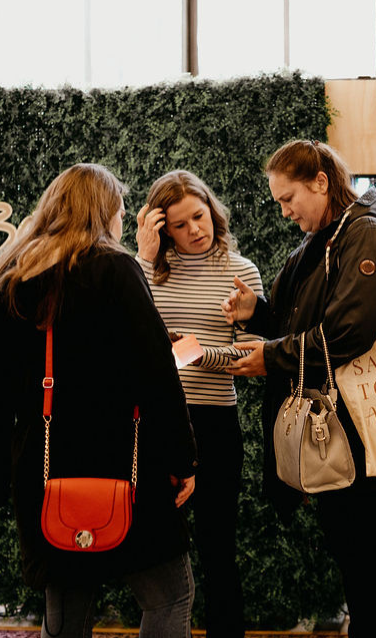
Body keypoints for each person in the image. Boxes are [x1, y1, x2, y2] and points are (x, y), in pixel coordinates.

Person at [221, 140, 376, 638]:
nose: (284, 212)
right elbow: (308, 322)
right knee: (354, 553)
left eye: (288, 198)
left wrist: (271, 356)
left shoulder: (364, 234)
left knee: (364, 556)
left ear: (321, 182)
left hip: (364, 430)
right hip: (344, 430)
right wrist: (259, 314)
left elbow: (348, 332)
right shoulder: (326, 239)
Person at [0, 163, 198, 638]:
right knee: (169, 595)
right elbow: (157, 376)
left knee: (67, 610)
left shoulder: (9, 280)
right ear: (105, 213)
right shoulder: (114, 269)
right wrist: (181, 459)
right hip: (125, 464)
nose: (121, 222)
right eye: (120, 212)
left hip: (44, 471)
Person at [135, 169, 264, 638]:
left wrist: (192, 352)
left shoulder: (241, 271)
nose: (194, 230)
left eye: (199, 216)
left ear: (213, 210)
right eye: (179, 224)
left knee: (218, 548)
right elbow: (128, 341)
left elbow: (254, 356)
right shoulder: (142, 271)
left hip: (215, 423)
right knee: (157, 551)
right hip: (156, 423)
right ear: (161, 228)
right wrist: (144, 258)